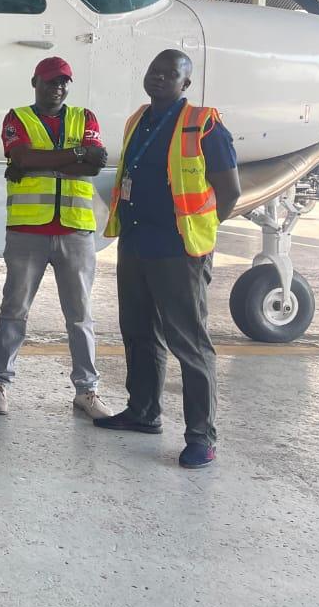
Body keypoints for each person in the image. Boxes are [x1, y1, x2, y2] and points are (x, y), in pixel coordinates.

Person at [95, 50, 240, 469]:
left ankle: (201, 436)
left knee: (189, 343)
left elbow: (229, 192)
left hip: (179, 251)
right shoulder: (139, 119)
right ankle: (143, 412)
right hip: (136, 244)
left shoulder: (204, 125)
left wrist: (201, 236)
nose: (158, 77)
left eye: (169, 73)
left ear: (185, 84)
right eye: (153, 70)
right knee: (138, 333)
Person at [0, 57, 112, 419]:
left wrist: (38, 163)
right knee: (14, 311)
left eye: (64, 82)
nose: (58, 87)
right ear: (35, 81)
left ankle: (87, 391)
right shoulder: (17, 117)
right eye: (51, 81)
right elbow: (21, 155)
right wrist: (73, 154)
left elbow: (94, 163)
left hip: (75, 231)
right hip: (29, 232)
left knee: (81, 316)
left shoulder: (84, 118)